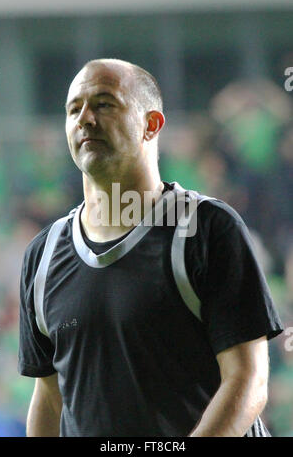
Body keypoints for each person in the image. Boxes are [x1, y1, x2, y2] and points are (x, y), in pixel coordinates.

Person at [18, 58, 283, 437]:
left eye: (104, 103)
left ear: (151, 124)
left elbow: (248, 379)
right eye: (74, 108)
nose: (85, 118)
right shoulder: (42, 254)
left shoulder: (207, 229)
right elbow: (47, 396)